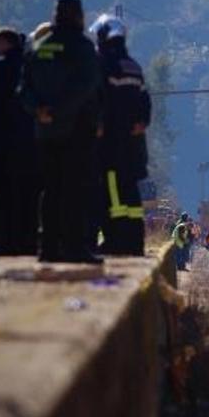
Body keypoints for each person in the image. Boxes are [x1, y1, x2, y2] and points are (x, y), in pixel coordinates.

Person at [21, 0, 102, 263]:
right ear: (78, 16)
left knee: (51, 188)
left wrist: (40, 111)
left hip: (45, 130)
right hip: (76, 130)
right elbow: (86, 87)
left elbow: (23, 89)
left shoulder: (38, 46)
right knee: (74, 189)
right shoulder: (81, 47)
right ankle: (75, 248)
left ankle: (48, 248)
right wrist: (60, 111)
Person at [91, 14, 150, 256]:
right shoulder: (133, 66)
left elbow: (100, 100)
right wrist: (142, 122)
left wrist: (97, 125)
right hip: (133, 147)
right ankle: (134, 241)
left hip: (111, 146)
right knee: (131, 197)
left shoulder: (104, 64)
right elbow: (145, 101)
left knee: (113, 196)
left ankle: (116, 240)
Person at [0, 27, 39, 255]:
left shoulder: (0, 68)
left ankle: (5, 241)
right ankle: (28, 241)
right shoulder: (31, 65)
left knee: (4, 192)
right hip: (32, 140)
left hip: (5, 139)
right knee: (28, 194)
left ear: (4, 44)